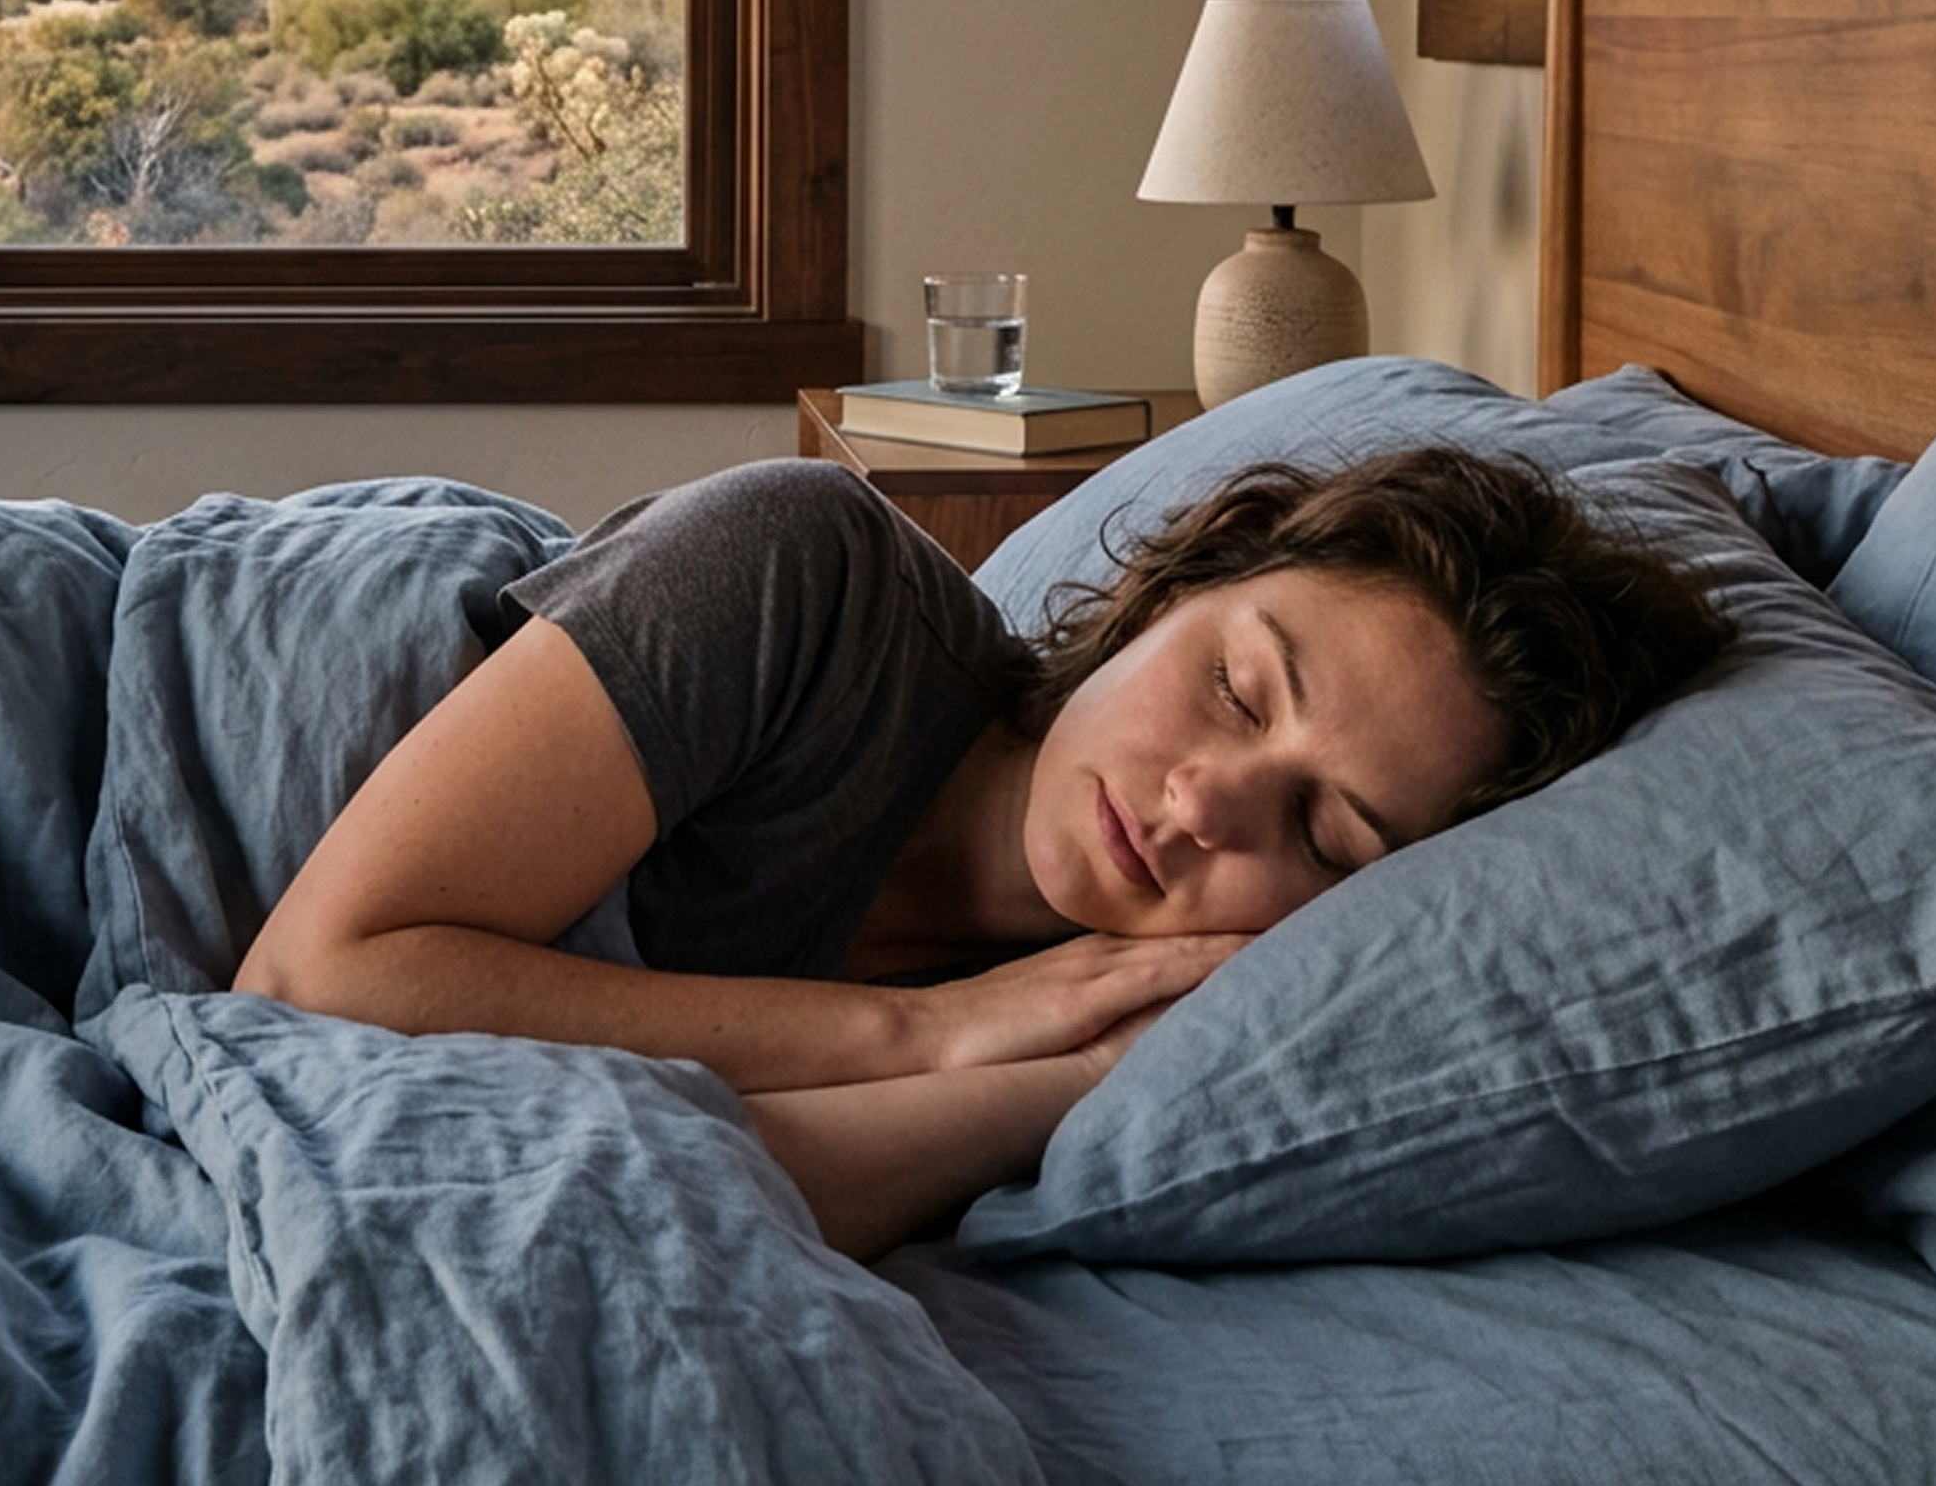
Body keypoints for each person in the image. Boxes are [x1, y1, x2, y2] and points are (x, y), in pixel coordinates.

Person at [239, 445, 1729, 1258]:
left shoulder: (1133, 1013)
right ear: (1175, 591)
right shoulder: (805, 573)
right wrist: (925, 1032)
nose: (1210, 804)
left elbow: (687, 1194)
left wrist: (1061, 1080)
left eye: (1327, 832)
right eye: (1234, 686)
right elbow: (312, 985)